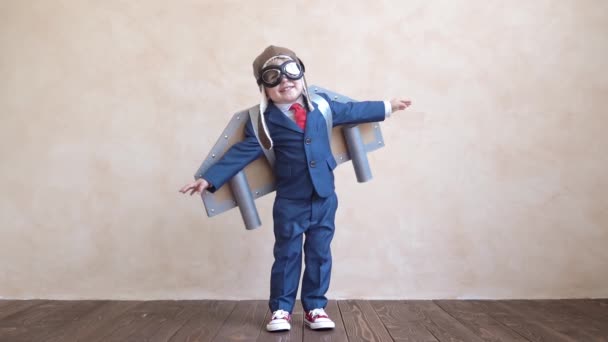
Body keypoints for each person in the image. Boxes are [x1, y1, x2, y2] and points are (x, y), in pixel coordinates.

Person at [180, 45, 411, 332]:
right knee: (287, 255)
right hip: (290, 200)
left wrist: (388, 106)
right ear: (264, 88)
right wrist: (210, 179)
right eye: (274, 78)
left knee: (320, 253)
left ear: (302, 77)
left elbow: (353, 110)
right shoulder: (263, 122)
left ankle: (315, 306)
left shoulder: (323, 106)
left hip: (324, 196)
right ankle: (281, 309)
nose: (284, 83)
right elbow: (242, 152)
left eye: (291, 74)